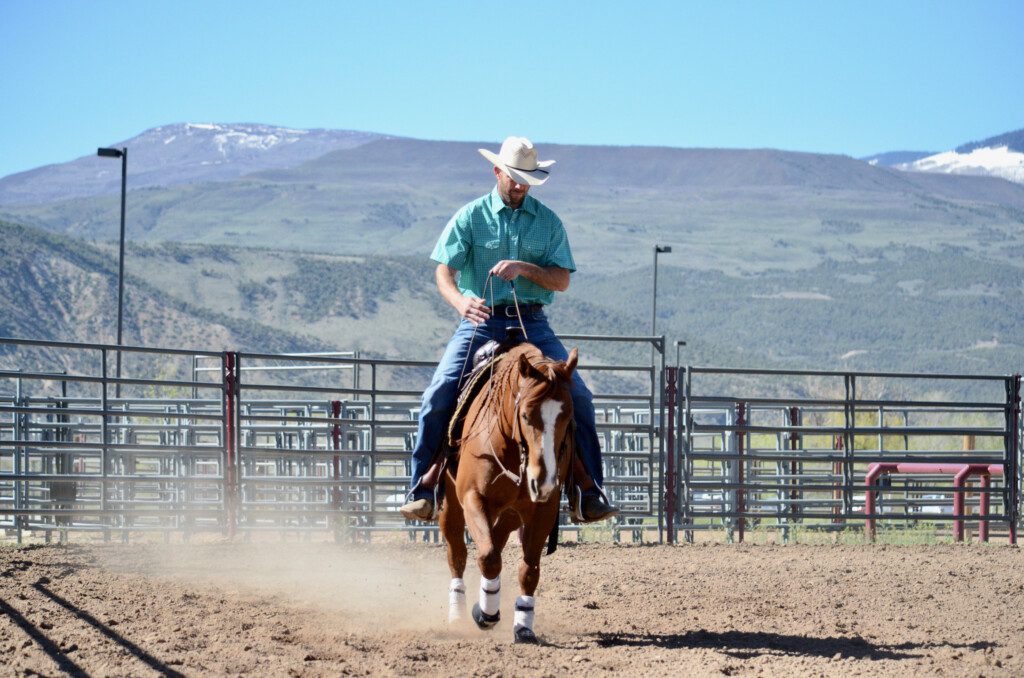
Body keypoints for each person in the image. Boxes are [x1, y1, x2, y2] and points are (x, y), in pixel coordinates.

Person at [399, 136, 618, 523]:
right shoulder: (470, 216)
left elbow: (561, 280)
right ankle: (424, 486)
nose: (520, 186)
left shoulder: (548, 222)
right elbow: (443, 270)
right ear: (497, 171)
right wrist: (460, 302)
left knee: (579, 397)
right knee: (438, 393)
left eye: (526, 180)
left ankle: (588, 490)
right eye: (514, 178)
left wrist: (524, 268)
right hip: (481, 321)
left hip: (532, 322)